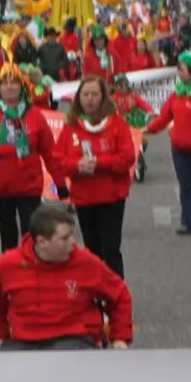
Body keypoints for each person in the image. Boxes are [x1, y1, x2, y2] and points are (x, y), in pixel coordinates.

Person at [0, 204, 133, 350]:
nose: (72, 242)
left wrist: (120, 337)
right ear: (42, 242)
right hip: (25, 342)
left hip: (74, 339)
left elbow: (120, 294)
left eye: (72, 235)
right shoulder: (9, 264)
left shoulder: (86, 262)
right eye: (65, 238)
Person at [50, 76, 136, 277]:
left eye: (94, 94)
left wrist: (99, 163)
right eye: (85, 94)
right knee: (91, 251)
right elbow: (58, 160)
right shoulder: (71, 125)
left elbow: (127, 157)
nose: (90, 99)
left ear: (103, 97)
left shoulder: (117, 123)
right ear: (78, 98)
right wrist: (77, 165)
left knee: (111, 250)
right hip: (84, 198)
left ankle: (116, 297)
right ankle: (94, 296)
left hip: (112, 197)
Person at [0, 65, 56, 252]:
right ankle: (11, 277)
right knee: (8, 238)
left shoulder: (35, 116)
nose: (9, 87)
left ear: (22, 87)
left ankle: (30, 276)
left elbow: (49, 152)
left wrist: (61, 183)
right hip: (1, 187)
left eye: (14, 82)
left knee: (30, 237)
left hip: (30, 186)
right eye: (5, 83)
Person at [146, 52, 191, 235]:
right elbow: (165, 116)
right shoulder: (178, 92)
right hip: (179, 148)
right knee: (185, 186)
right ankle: (188, 221)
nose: (179, 71)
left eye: (182, 68)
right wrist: (148, 129)